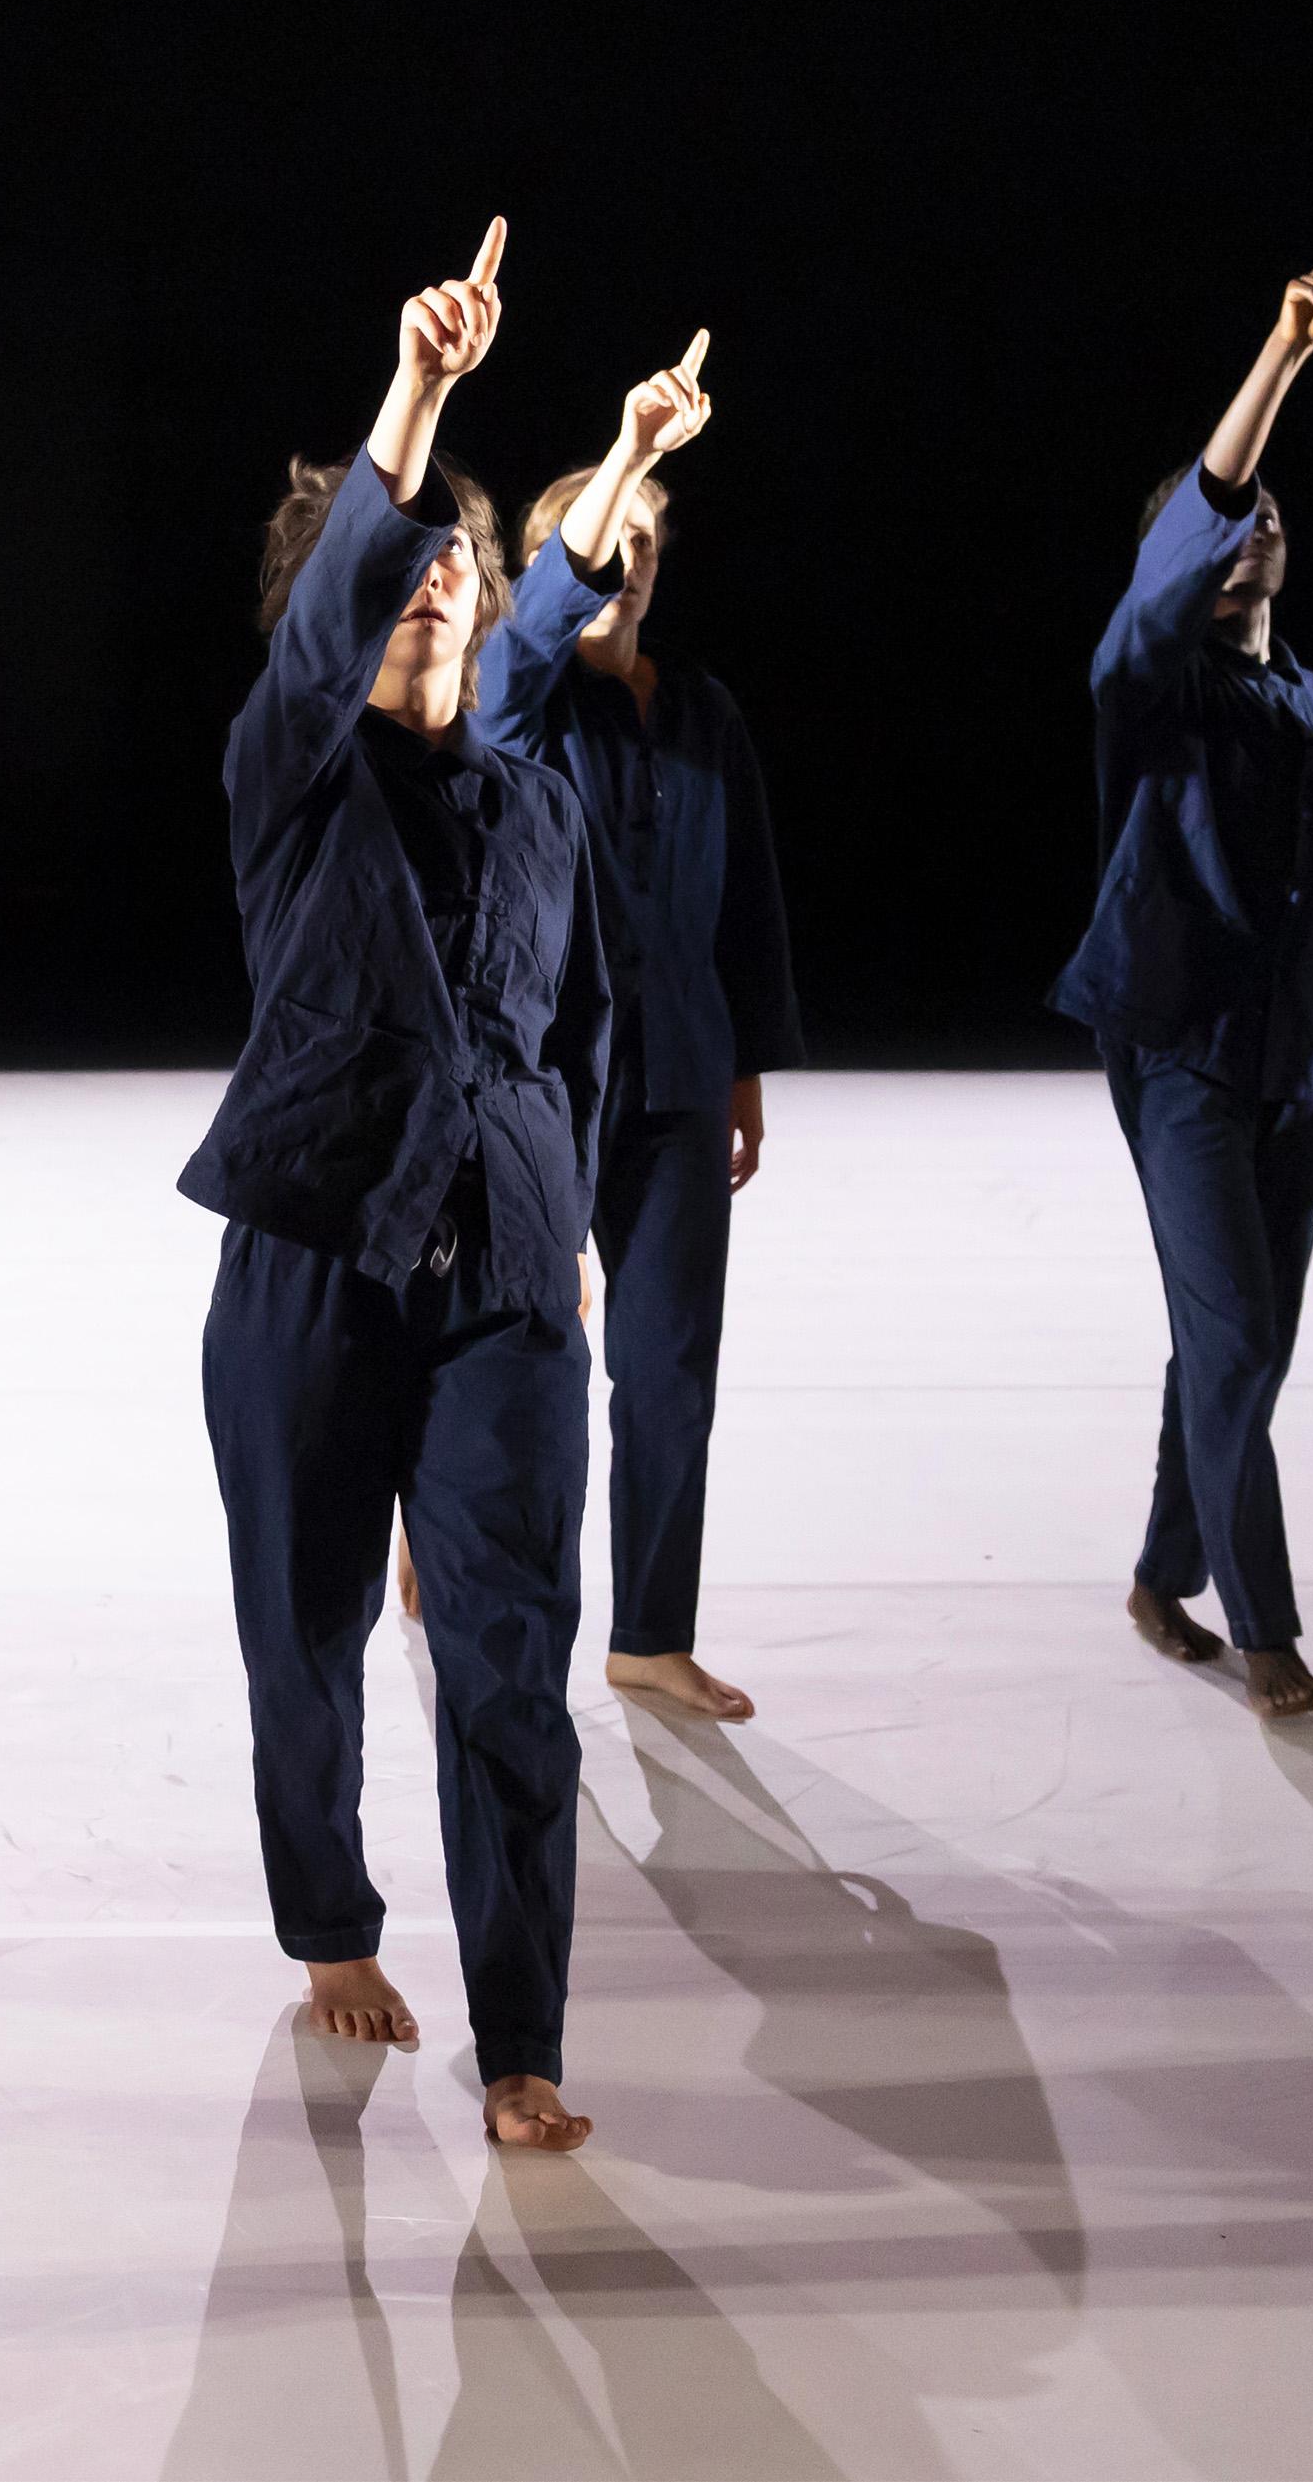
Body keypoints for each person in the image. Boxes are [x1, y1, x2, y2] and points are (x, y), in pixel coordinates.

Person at [180, 218, 607, 2154]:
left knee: (510, 1657)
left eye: (463, 560)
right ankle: (329, 1912)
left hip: (506, 1267)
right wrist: (421, 395)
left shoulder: (541, 805)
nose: (436, 578)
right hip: (308, 1257)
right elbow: (344, 589)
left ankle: (522, 2030)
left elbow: (570, 1026)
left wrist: (573, 1215)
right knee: (306, 1631)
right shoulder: (290, 768)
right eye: (403, 560)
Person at [1048, 216, 1313, 1720]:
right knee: (1228, 1337)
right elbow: (1196, 519)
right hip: (1174, 1056)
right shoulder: (1151, 691)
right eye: (1215, 526)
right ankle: (1264, 1624)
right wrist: (1283, 352)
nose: (1244, 530)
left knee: (1244, 1345)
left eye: (1262, 516)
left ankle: (1162, 1569)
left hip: (1295, 1062)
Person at [472, 330, 801, 1723]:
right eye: (606, 545)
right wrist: (625, 458)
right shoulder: (517, 700)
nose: (630, 562)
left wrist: (742, 1068)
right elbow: (541, 624)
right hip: (541, 1088)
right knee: (510, 1363)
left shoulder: (703, 714)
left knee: (667, 1369)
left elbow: (746, 907)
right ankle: (463, 1568)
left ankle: (647, 1631)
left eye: (648, 541)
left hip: (673, 1080)